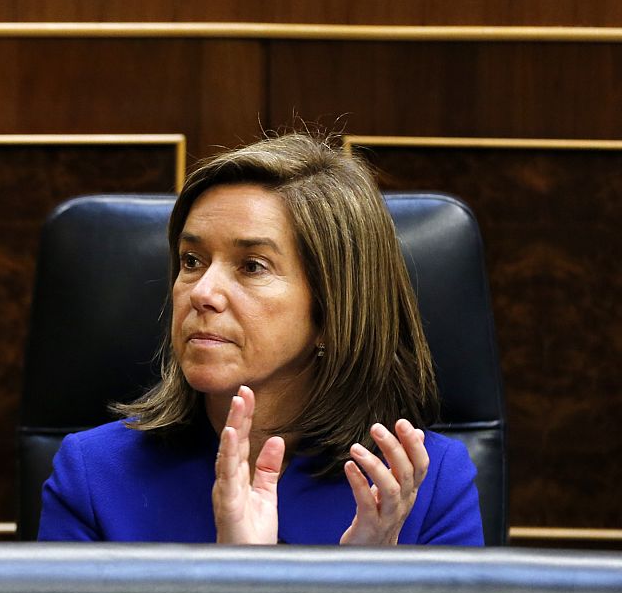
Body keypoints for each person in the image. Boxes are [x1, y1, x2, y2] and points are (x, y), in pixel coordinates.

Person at [37, 133, 484, 545]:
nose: (202, 292)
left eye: (252, 266)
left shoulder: (425, 485)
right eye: (191, 260)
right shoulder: (93, 474)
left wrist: (364, 586)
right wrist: (235, 580)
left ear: (333, 312)